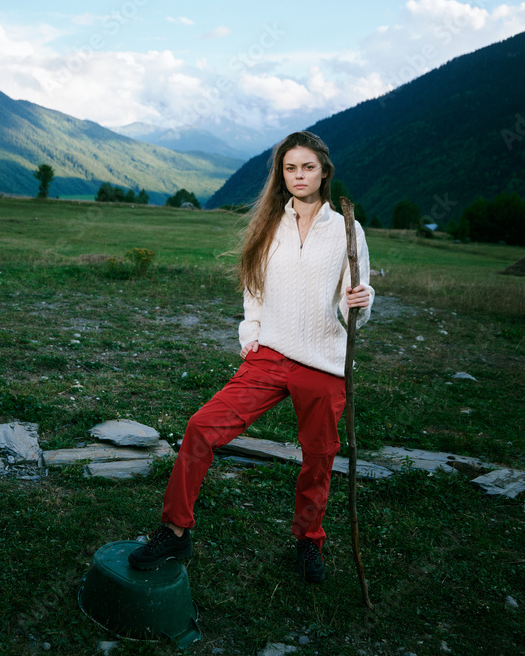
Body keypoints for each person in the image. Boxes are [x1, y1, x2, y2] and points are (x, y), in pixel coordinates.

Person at [128, 131, 374, 583]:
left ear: (324, 172)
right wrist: (252, 333)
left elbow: (349, 299)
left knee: (318, 456)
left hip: (322, 362)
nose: (299, 176)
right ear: (282, 174)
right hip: (270, 355)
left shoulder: (346, 229)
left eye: (308, 167)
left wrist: (361, 300)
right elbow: (254, 289)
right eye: (290, 168)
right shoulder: (270, 225)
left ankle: (308, 541)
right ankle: (176, 530)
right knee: (202, 427)